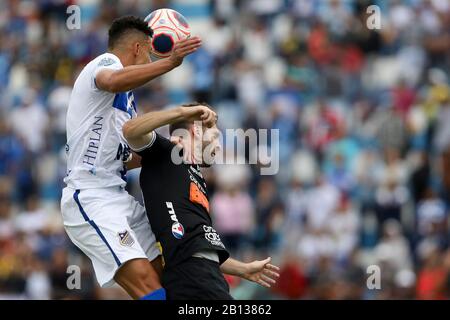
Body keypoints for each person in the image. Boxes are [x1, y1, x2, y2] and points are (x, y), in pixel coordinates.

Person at [60, 15, 202, 300]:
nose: (150, 60)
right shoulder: (104, 63)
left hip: (118, 196)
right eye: (149, 53)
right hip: (91, 196)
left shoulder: (126, 106)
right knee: (148, 285)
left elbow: (124, 159)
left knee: (170, 277)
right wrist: (170, 63)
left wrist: (168, 150)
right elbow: (112, 81)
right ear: (137, 48)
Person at [122, 102, 280, 299]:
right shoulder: (169, 152)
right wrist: (183, 112)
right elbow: (130, 130)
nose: (219, 146)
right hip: (191, 276)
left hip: (207, 275)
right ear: (195, 130)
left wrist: (243, 269)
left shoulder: (194, 174)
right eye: (215, 137)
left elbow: (198, 244)